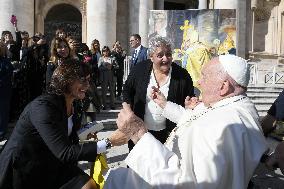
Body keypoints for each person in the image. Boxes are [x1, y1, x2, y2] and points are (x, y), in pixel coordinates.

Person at [105, 54, 268, 189]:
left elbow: (182, 184)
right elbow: (193, 120)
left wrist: (138, 133)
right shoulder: (231, 106)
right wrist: (164, 104)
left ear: (223, 87)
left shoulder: (223, 125)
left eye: (204, 76)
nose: (199, 82)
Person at [0, 59, 127, 189]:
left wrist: (82, 136)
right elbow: (65, 152)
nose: (88, 85)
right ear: (66, 80)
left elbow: (65, 137)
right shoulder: (43, 107)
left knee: (90, 186)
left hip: (53, 162)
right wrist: (109, 142)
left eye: (89, 80)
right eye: (83, 80)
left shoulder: (75, 104)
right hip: (24, 168)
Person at [123, 36, 194, 150]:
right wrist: (129, 112)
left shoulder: (182, 76)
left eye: (169, 54)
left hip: (169, 135)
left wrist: (190, 104)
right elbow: (127, 90)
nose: (165, 59)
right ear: (151, 57)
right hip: (141, 132)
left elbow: (189, 100)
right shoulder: (140, 70)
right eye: (160, 55)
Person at [0, 41, 14, 141]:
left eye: (2, 46)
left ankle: (1, 133)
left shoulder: (5, 61)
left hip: (4, 91)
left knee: (3, 112)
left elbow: (9, 73)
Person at [98, 46, 117, 110]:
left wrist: (112, 66)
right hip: (104, 77)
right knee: (104, 92)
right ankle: (104, 105)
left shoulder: (112, 58)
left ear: (108, 51)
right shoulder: (101, 58)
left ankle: (112, 105)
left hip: (111, 77)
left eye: (106, 51)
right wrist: (106, 68)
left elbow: (117, 66)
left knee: (112, 91)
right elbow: (99, 67)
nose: (105, 52)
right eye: (104, 51)